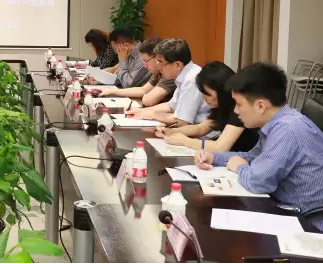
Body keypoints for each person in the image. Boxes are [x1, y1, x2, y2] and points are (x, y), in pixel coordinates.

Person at [195, 63, 323, 231]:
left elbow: (258, 182)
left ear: (261, 106)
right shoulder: (277, 123)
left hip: (307, 224)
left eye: (239, 104)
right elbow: (252, 157)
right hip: (285, 209)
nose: (236, 111)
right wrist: (213, 157)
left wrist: (239, 167)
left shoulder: (288, 129)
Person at [155, 61, 259, 152]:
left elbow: (220, 147)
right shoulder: (221, 107)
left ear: (223, 91)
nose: (204, 99)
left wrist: (185, 141)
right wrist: (169, 131)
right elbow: (200, 128)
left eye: (208, 94)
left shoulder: (238, 109)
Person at [127, 39, 209, 126]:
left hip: (203, 132)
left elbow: (182, 121)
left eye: (161, 63)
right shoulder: (184, 75)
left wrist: (151, 114)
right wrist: (142, 111)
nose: (159, 66)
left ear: (177, 65)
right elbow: (171, 106)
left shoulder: (191, 80)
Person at [99, 37, 175, 106]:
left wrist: (147, 94)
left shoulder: (169, 73)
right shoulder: (157, 72)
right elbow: (143, 90)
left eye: (146, 61)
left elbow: (148, 100)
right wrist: (111, 91)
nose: (144, 65)